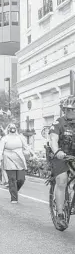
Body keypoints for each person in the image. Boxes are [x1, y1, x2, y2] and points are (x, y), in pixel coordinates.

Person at [48, 96, 75, 228]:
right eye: (67, 110)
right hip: (61, 156)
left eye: (72, 110)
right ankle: (59, 215)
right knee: (62, 180)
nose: (69, 112)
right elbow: (53, 139)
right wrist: (57, 151)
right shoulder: (58, 122)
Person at [0, 123, 34, 204]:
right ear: (8, 129)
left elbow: (26, 146)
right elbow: (0, 150)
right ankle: (14, 198)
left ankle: (14, 189)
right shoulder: (4, 138)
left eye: (14, 127)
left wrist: (33, 154)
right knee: (12, 179)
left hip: (19, 159)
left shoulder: (20, 137)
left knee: (21, 179)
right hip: (8, 159)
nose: (12, 129)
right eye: (11, 127)